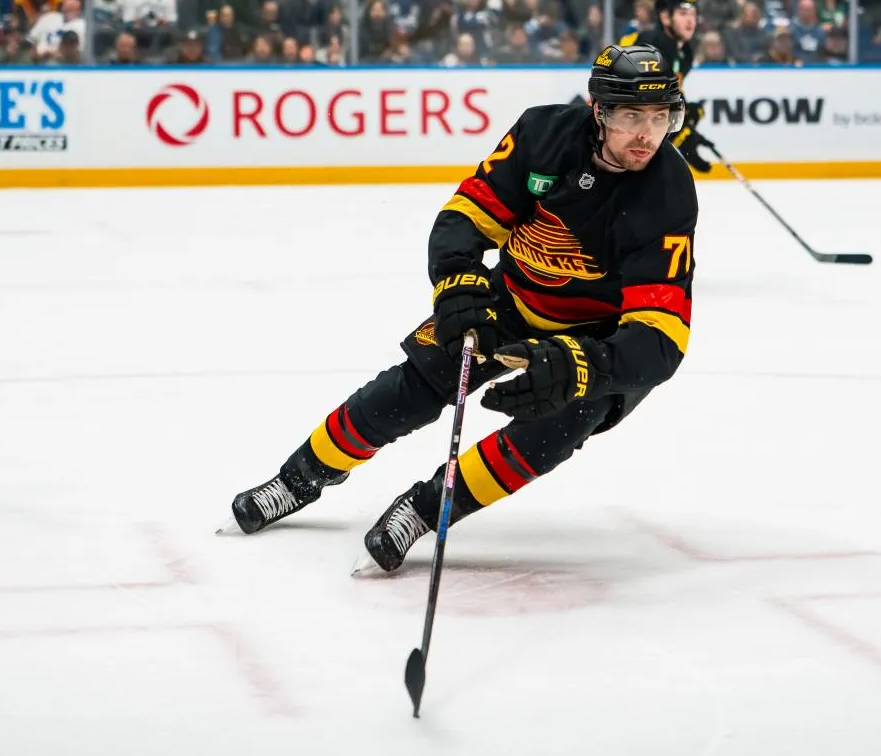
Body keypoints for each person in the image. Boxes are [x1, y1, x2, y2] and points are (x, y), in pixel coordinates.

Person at [221, 44, 698, 573]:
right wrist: (455, 280)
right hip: (513, 299)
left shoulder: (668, 192)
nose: (647, 135)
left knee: (549, 433)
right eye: (632, 116)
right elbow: (466, 215)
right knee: (409, 389)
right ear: (598, 110)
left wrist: (583, 365)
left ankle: (423, 511)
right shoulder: (542, 135)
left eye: (660, 118)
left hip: (591, 340)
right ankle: (298, 479)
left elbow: (660, 339)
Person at [621, 0, 715, 174]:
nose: (690, 20)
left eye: (693, 14)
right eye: (682, 13)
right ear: (665, 18)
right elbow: (641, 101)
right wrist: (682, 136)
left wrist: (686, 115)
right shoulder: (652, 43)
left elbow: (670, 91)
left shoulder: (684, 51)